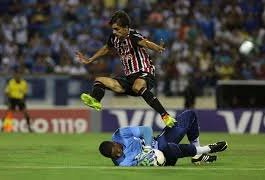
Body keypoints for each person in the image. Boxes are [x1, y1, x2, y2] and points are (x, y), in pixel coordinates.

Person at [76, 10, 176, 128]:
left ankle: (165, 116)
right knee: (99, 80)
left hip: (145, 73)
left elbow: (146, 42)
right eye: (113, 29)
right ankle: (96, 100)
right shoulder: (114, 38)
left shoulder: (133, 36)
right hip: (129, 78)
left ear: (126, 28)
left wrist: (157, 48)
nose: (114, 32)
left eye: (117, 29)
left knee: (137, 86)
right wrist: (91, 59)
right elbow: (106, 48)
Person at [98, 110, 228, 166]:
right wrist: (150, 156)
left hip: (158, 142)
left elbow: (146, 130)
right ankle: (205, 150)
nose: (119, 154)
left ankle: (197, 154)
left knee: (189, 115)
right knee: (170, 148)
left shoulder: (120, 134)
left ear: (114, 143)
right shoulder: (122, 163)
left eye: (117, 151)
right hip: (162, 160)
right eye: (114, 156)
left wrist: (148, 148)